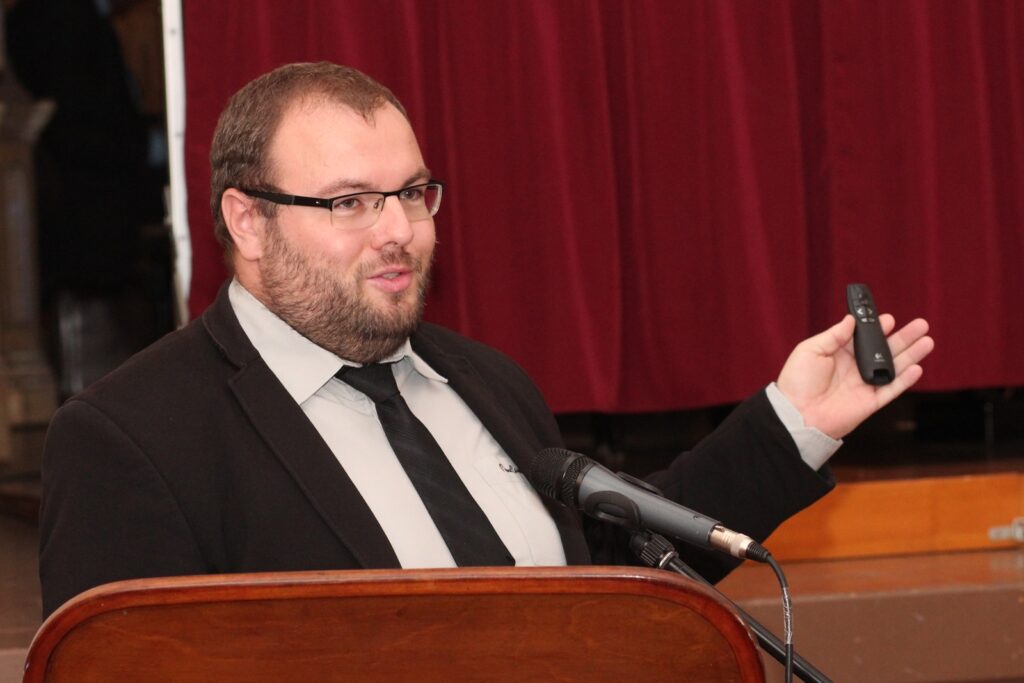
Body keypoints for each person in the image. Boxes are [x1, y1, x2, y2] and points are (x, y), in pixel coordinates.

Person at [38, 62, 934, 618]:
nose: (400, 231)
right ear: (248, 221)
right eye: (351, 202)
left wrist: (793, 423)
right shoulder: (131, 439)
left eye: (412, 193)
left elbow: (614, 579)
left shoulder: (483, 379)